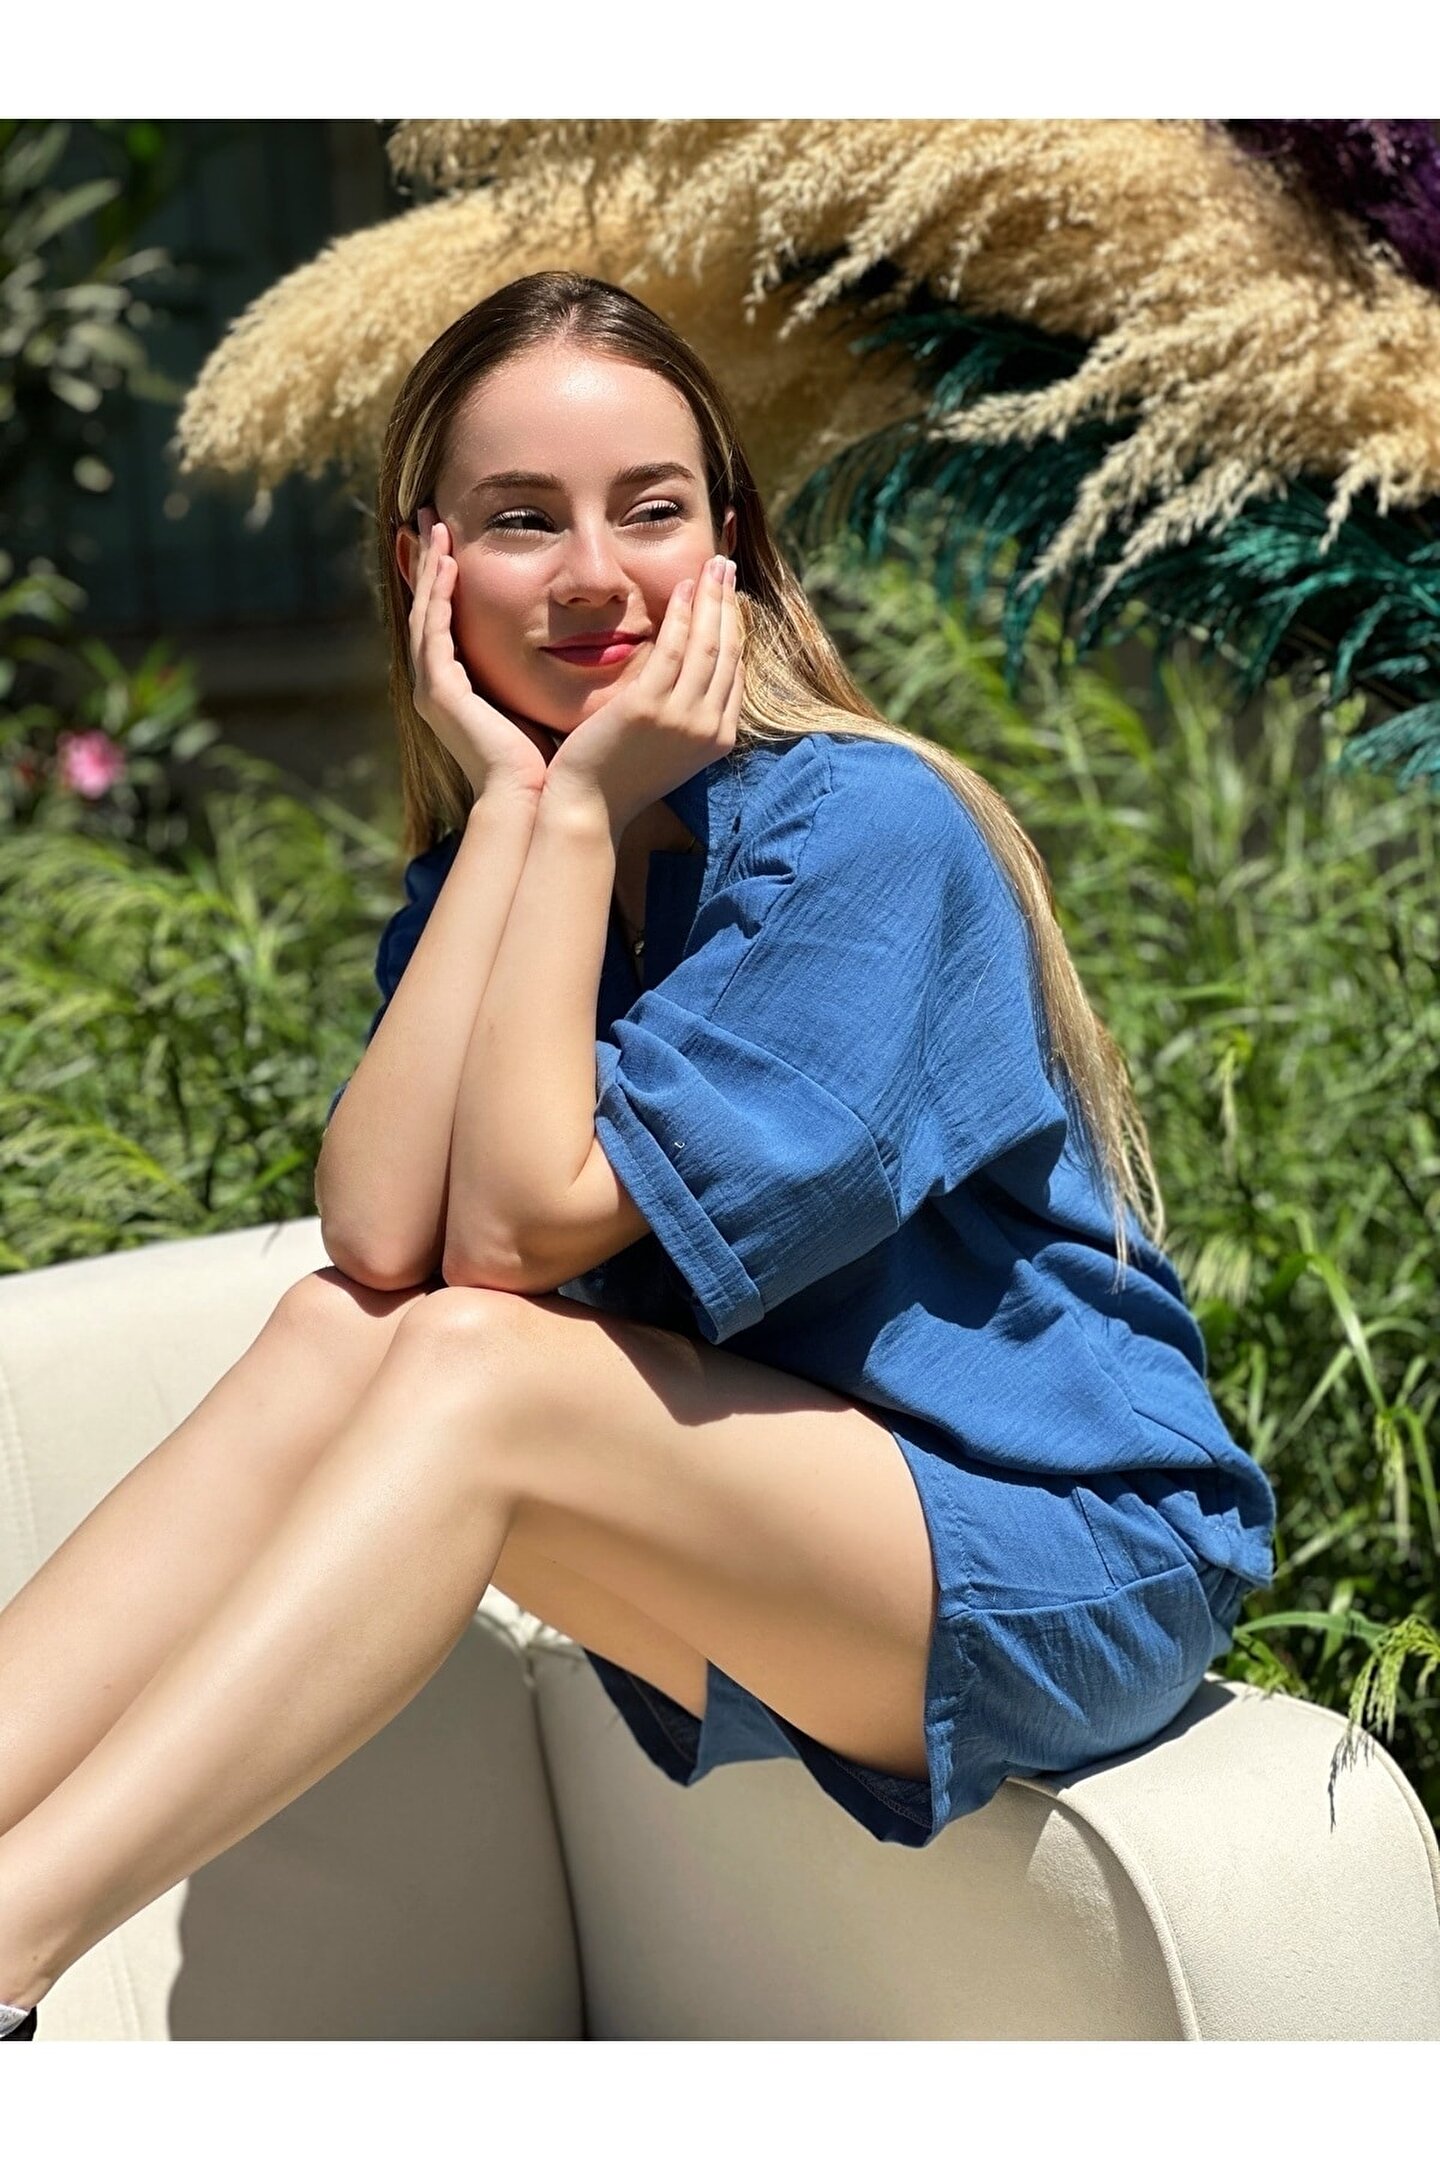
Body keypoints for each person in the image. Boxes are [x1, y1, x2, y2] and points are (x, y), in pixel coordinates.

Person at [0, 269, 1275, 2041]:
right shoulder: (521, 851)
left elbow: (510, 1241)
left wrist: (581, 807)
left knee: (474, 1359)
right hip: (788, 1520)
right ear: (429, 565)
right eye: (523, 519)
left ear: (728, 548)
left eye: (651, 510)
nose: (595, 573)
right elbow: (376, 1234)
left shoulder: (862, 833)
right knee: (335, 1330)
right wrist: (524, 814)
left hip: (1057, 1541)